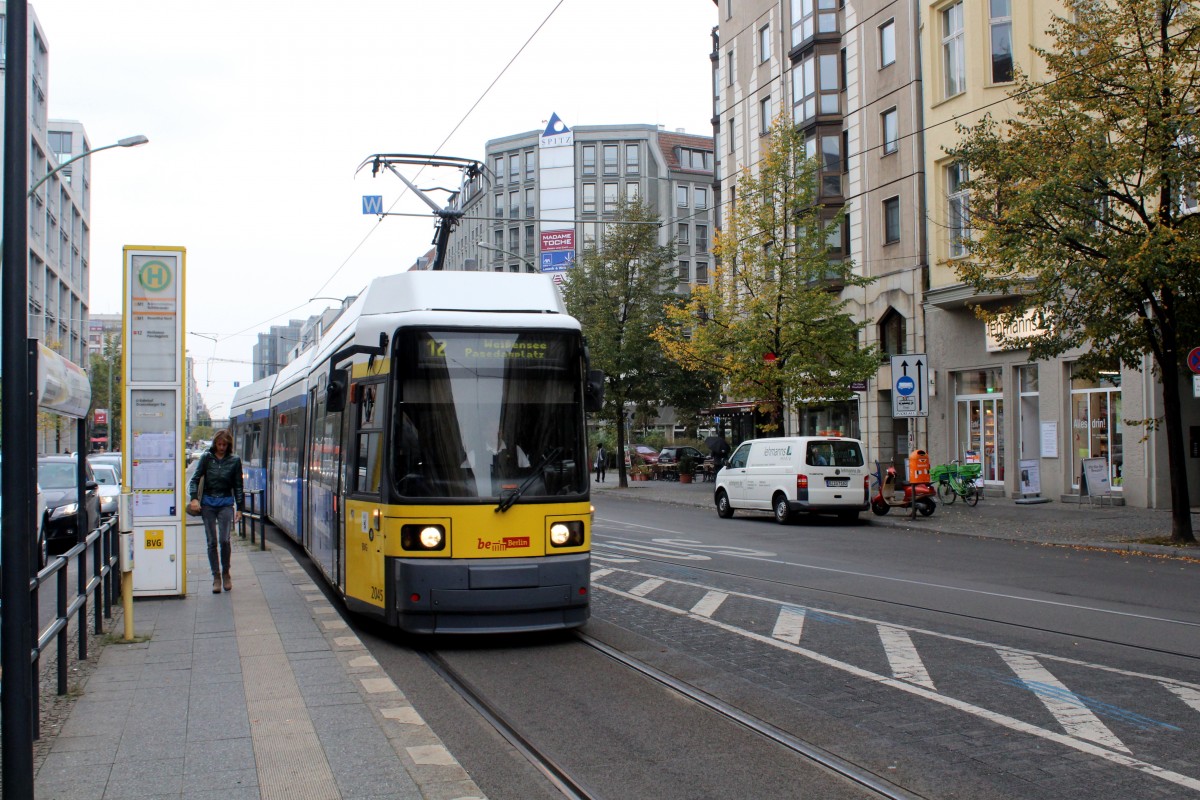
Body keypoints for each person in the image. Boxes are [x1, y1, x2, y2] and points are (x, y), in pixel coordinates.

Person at [187, 429, 244, 594]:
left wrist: (239, 508)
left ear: (228, 445)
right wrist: (194, 498)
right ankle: (216, 577)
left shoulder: (234, 461)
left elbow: (238, 486)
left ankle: (226, 573)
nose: (221, 448)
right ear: (215, 444)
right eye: (219, 444)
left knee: (225, 540)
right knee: (211, 541)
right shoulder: (207, 458)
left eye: (224, 445)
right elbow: (195, 479)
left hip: (226, 502)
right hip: (208, 504)